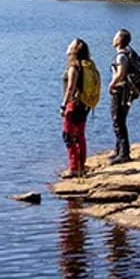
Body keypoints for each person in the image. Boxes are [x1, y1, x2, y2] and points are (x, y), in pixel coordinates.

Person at [59, 38, 93, 178]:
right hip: (84, 104)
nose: (67, 46)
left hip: (74, 104)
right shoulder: (86, 65)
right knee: (79, 135)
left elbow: (71, 87)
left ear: (74, 50)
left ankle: (74, 168)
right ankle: (81, 165)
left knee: (68, 135)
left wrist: (63, 104)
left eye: (70, 45)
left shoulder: (74, 67)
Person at [108, 29, 134, 164]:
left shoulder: (121, 56)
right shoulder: (126, 54)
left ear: (119, 40)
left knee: (118, 121)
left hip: (121, 92)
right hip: (124, 91)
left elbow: (121, 73)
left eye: (115, 36)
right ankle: (119, 150)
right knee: (119, 120)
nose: (113, 39)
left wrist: (111, 85)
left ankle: (124, 153)